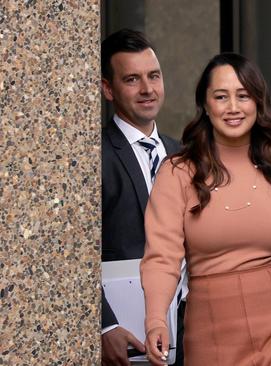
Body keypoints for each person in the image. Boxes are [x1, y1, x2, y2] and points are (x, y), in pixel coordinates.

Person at [140, 52, 271, 366]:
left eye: (243, 96)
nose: (233, 107)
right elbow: (162, 258)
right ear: (206, 106)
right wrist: (156, 318)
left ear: (257, 103)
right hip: (210, 333)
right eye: (221, 97)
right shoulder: (178, 172)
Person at [100, 29, 184, 366]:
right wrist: (105, 325)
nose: (148, 89)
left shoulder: (183, 153)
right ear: (109, 88)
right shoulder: (95, 158)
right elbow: (72, 254)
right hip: (127, 338)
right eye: (132, 79)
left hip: (189, 333)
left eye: (154, 76)